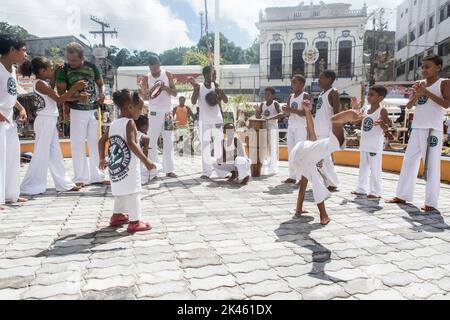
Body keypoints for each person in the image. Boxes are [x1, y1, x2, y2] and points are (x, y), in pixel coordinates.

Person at [387, 55, 450, 212]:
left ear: (438, 67)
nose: (424, 70)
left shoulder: (444, 83)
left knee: (431, 165)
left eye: (427, 66)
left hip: (432, 129)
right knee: (409, 161)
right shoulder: (419, 84)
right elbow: (409, 105)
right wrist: (416, 94)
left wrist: (426, 92)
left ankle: (431, 202)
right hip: (417, 128)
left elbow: (447, 104)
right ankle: (402, 195)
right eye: (422, 67)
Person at [19, 57, 87, 195]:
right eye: (50, 68)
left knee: (55, 154)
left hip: (48, 120)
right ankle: (32, 185)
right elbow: (59, 99)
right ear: (42, 71)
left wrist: (55, 74)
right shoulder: (40, 84)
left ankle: (64, 184)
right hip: (45, 120)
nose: (51, 70)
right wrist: (74, 88)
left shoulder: (42, 82)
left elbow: (52, 91)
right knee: (41, 154)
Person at [292, 100, 364, 225]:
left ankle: (300, 208)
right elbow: (311, 132)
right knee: (317, 181)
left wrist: (308, 112)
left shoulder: (311, 159)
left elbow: (311, 132)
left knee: (311, 178)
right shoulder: (314, 156)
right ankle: (323, 216)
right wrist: (308, 112)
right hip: (303, 152)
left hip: (298, 155)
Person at [99, 90, 155, 233]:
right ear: (130, 107)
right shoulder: (129, 123)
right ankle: (135, 222)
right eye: (139, 108)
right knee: (134, 191)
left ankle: (117, 215)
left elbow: (101, 141)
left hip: (116, 167)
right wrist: (146, 160)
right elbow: (131, 144)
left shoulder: (113, 124)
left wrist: (102, 158)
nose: (140, 112)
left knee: (120, 191)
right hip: (129, 167)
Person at [56, 42, 107, 188]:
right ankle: (80, 178)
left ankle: (97, 176)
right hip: (77, 110)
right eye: (69, 59)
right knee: (77, 144)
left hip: (93, 109)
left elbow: (100, 83)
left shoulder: (92, 67)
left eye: (74, 60)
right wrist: (77, 97)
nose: (71, 63)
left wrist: (102, 92)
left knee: (94, 143)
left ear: (82, 57)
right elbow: (61, 95)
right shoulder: (63, 70)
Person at [0, 34, 29, 209]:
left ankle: (11, 194)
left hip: (9, 117)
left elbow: (10, 93)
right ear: (12, 50)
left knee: (11, 155)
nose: (25, 54)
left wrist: (21, 108)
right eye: (23, 50)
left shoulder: (12, 70)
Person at [139, 55, 178, 178]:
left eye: (155, 66)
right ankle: (154, 168)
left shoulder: (167, 74)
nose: (154, 69)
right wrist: (144, 91)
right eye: (151, 66)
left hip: (167, 112)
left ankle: (169, 169)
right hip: (154, 112)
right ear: (149, 66)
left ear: (159, 64)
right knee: (151, 140)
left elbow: (175, 93)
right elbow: (145, 97)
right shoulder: (146, 78)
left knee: (168, 140)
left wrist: (165, 88)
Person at [352, 85, 392, 200]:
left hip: (375, 145)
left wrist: (381, 124)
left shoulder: (382, 111)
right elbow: (355, 122)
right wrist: (354, 108)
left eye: (372, 95)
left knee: (375, 169)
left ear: (380, 98)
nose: (368, 97)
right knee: (363, 168)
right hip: (364, 144)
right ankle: (361, 189)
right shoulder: (364, 109)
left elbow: (386, 128)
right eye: (368, 94)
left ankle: (375, 191)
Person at [189, 66, 229, 179]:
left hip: (217, 119)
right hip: (204, 120)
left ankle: (222, 171)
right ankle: (206, 172)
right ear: (206, 75)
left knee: (218, 145)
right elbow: (192, 101)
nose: (214, 76)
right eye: (212, 74)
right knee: (205, 146)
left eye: (214, 74)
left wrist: (221, 93)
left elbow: (225, 100)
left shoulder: (216, 86)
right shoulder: (199, 87)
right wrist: (195, 90)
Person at [314, 70, 341, 192]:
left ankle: (333, 183)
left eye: (322, 78)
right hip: (318, 130)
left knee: (325, 159)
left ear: (329, 79)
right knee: (319, 159)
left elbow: (337, 113)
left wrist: (335, 130)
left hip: (326, 131)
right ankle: (326, 181)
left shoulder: (333, 93)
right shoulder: (321, 93)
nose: (319, 80)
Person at [282, 75, 310, 184]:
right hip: (291, 126)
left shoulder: (305, 95)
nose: (292, 84)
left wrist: (290, 110)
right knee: (291, 151)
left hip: (301, 127)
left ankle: (301, 177)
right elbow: (288, 113)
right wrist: (285, 110)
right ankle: (292, 176)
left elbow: (305, 112)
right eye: (292, 82)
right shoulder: (291, 96)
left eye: (294, 82)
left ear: (301, 85)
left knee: (300, 152)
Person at [256, 87, 283, 175]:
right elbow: (258, 117)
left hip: (273, 128)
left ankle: (273, 168)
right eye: (265, 94)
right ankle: (264, 167)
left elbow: (281, 114)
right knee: (263, 147)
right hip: (264, 128)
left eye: (268, 94)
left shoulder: (275, 103)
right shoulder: (262, 104)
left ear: (273, 95)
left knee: (273, 148)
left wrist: (270, 118)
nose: (266, 96)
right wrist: (257, 110)